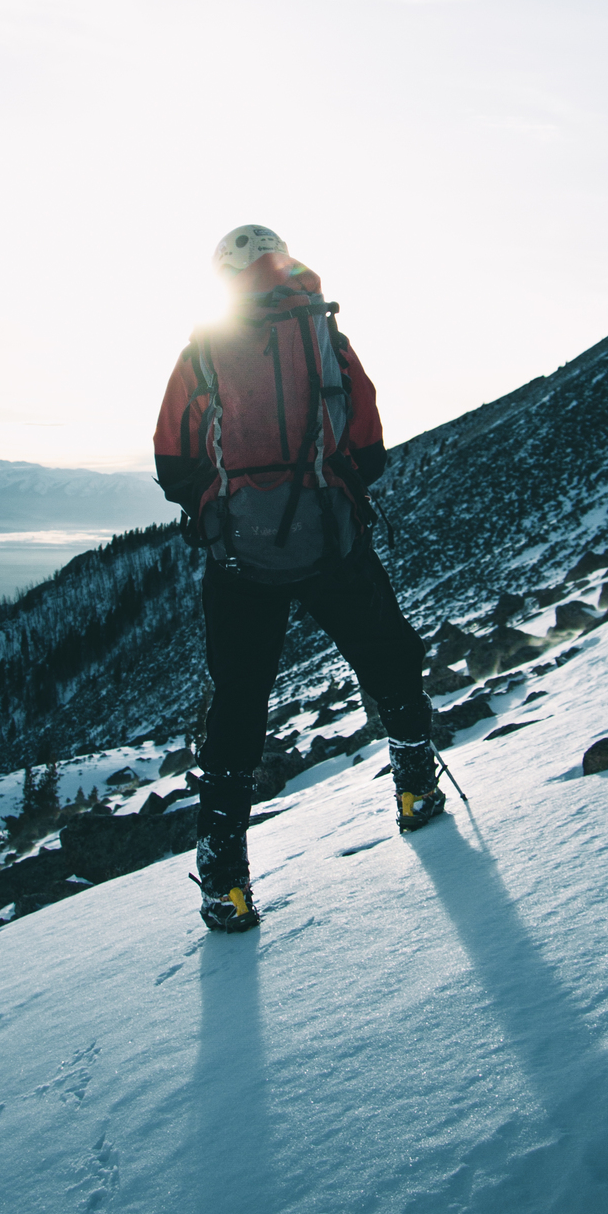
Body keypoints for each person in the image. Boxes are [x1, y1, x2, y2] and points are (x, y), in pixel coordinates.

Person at [154, 224, 443, 931]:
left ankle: (224, 876)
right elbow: (368, 446)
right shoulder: (323, 330)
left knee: (240, 706)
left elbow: (172, 458)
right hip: (330, 537)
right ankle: (414, 788)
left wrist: (222, 504)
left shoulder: (203, 346)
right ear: (285, 264)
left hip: (237, 558)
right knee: (388, 659)